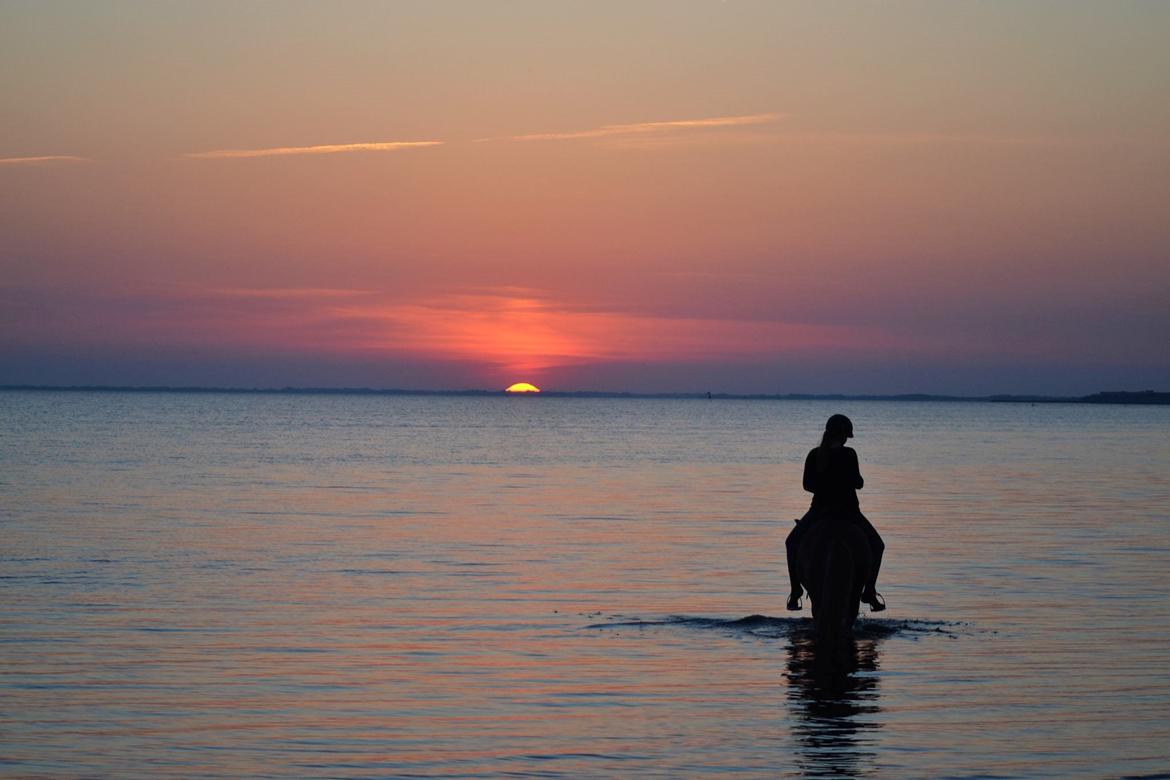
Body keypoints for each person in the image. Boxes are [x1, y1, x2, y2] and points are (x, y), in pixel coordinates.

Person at [785, 414, 886, 612]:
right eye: (847, 436)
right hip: (848, 511)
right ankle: (870, 591)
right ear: (843, 436)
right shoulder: (849, 454)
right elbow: (859, 483)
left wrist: (825, 486)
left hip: (819, 511)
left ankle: (795, 591)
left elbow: (807, 485)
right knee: (878, 545)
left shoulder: (814, 454)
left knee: (791, 543)